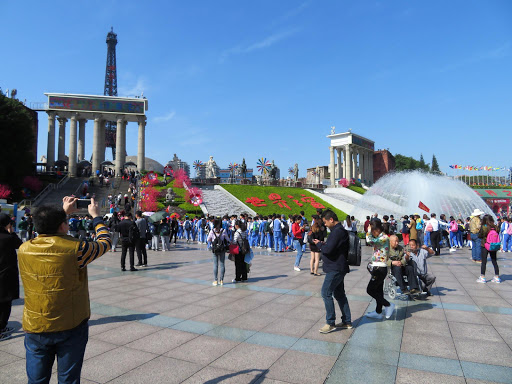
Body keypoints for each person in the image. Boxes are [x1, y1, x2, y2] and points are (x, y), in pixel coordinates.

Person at [18, 197, 111, 383]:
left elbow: (45, 232)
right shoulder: (77, 249)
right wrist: (96, 217)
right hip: (71, 324)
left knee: (36, 379)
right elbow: (105, 242)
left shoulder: (24, 249)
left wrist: (61, 215)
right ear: (62, 226)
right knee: (68, 379)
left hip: (36, 324)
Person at [313, 209, 352, 333]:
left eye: (325, 222)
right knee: (340, 294)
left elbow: (328, 250)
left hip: (335, 268)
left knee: (325, 292)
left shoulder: (337, 232)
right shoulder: (339, 231)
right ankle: (347, 321)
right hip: (339, 266)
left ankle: (330, 322)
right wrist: (324, 244)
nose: (325, 224)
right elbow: (332, 247)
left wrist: (320, 245)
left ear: (331, 220)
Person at [366, 219, 395, 320]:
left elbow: (369, 241)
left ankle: (388, 305)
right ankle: (378, 312)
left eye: (373, 230)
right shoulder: (380, 237)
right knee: (378, 291)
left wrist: (368, 232)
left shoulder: (384, 237)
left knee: (370, 290)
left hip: (380, 268)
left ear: (378, 229)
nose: (372, 233)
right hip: (377, 267)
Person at [0, 213, 22, 340]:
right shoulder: (8, 238)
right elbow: (19, 244)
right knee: (5, 303)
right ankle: (1, 328)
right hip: (6, 275)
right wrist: (11, 232)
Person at [477, 215, 501, 283]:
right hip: (494, 245)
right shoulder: (495, 226)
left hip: (485, 245)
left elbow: (480, 235)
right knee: (494, 261)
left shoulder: (484, 227)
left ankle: (482, 277)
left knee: (484, 261)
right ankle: (497, 277)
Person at [207, 219, 229, 286]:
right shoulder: (223, 230)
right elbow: (228, 239)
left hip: (215, 249)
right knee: (222, 264)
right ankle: (221, 280)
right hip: (222, 249)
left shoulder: (212, 231)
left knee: (215, 265)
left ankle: (215, 280)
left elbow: (208, 239)